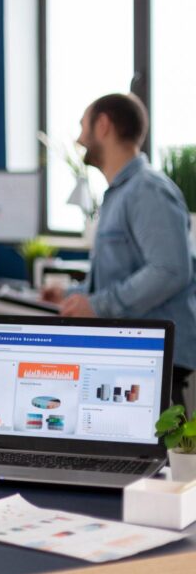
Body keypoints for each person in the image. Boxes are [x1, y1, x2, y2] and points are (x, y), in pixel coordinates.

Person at [42, 93, 196, 406]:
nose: (78, 139)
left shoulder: (147, 189)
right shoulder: (121, 193)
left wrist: (98, 306)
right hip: (132, 358)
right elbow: (121, 274)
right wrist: (73, 295)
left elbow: (170, 270)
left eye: (82, 126)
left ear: (103, 125)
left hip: (153, 364)